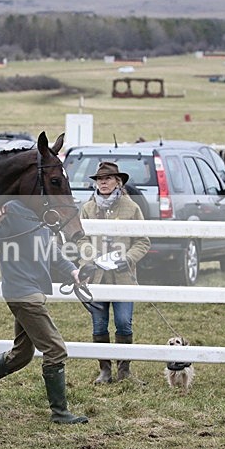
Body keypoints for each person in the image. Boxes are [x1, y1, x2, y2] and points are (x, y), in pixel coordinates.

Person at [0, 200, 88, 424]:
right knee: (55, 350)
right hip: (23, 294)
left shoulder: (41, 212)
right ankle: (60, 413)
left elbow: (51, 252)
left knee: (21, 355)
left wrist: (73, 271)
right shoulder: (11, 208)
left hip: (32, 292)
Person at [77, 162, 150, 383]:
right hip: (96, 276)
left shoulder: (131, 207)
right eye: (100, 179)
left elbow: (143, 240)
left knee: (123, 322)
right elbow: (80, 239)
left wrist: (127, 259)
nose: (103, 183)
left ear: (118, 181)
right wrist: (91, 258)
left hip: (123, 277)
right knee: (99, 324)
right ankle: (105, 370)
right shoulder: (88, 208)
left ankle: (124, 370)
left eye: (108, 179)